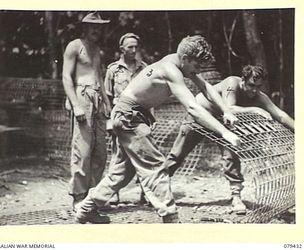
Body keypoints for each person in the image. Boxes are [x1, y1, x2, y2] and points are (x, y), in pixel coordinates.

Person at [75, 35, 241, 224]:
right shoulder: (170, 70)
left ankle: (87, 208)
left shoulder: (179, 61)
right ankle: (170, 217)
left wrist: (226, 110)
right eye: (197, 66)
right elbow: (193, 108)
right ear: (185, 59)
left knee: (122, 172)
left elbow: (206, 87)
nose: (198, 71)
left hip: (131, 114)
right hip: (130, 116)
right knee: (155, 166)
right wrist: (224, 132)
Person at [165, 65, 294, 215]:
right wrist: (254, 109)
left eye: (258, 87)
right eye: (251, 85)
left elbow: (282, 116)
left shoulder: (260, 96)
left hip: (222, 123)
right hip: (199, 117)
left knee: (231, 155)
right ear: (243, 80)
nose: (254, 90)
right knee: (177, 154)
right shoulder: (232, 83)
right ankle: (154, 186)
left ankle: (236, 197)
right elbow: (229, 108)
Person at [62, 12, 112, 212]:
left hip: (99, 99)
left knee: (100, 152)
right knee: (82, 150)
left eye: (99, 27)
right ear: (85, 27)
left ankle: (93, 195)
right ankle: (78, 196)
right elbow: (66, 76)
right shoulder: (75, 46)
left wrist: (107, 103)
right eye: (93, 26)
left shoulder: (97, 50)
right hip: (82, 96)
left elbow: (99, 77)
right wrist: (75, 104)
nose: (96, 30)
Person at [104, 33, 148, 204]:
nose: (134, 50)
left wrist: (152, 118)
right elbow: (107, 96)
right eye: (130, 47)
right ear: (122, 49)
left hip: (140, 117)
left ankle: (146, 192)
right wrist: (110, 119)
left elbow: (149, 94)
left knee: (143, 155)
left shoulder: (144, 68)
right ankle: (113, 193)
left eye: (136, 46)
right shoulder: (113, 70)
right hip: (120, 118)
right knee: (118, 156)